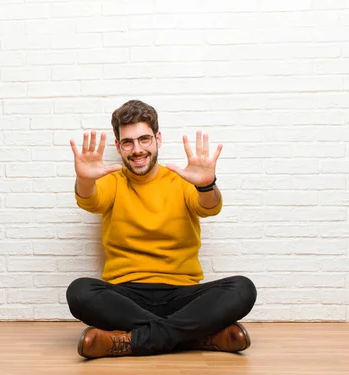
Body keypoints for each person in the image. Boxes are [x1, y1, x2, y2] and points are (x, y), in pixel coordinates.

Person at [66, 100, 257, 359]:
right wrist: (85, 179)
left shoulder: (182, 178)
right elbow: (90, 200)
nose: (137, 149)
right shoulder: (112, 182)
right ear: (118, 146)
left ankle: (128, 341)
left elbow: (209, 207)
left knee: (243, 288)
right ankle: (198, 335)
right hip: (127, 295)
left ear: (158, 139)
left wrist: (206, 185)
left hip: (182, 293)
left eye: (144, 139)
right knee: (79, 292)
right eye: (128, 142)